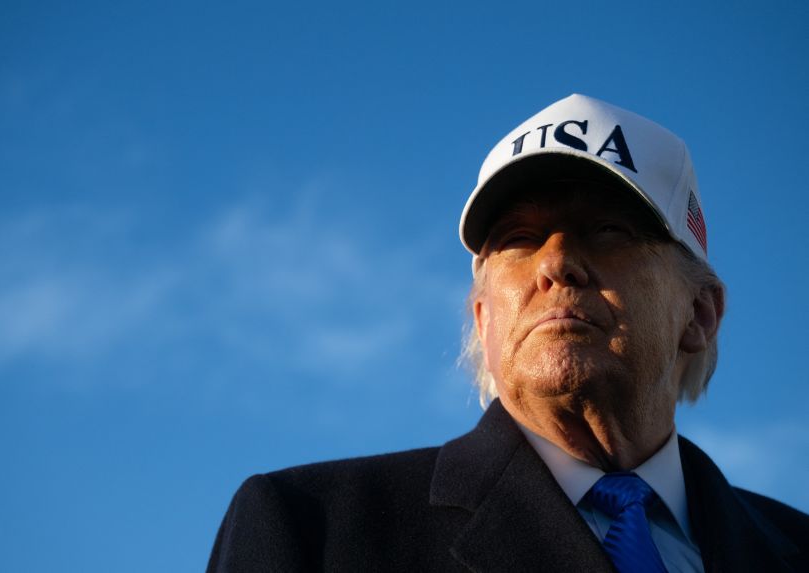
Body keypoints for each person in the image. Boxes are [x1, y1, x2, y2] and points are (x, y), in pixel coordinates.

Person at [207, 95, 808, 572]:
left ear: (700, 313)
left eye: (606, 229)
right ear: (482, 318)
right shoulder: (315, 531)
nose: (555, 264)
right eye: (518, 239)